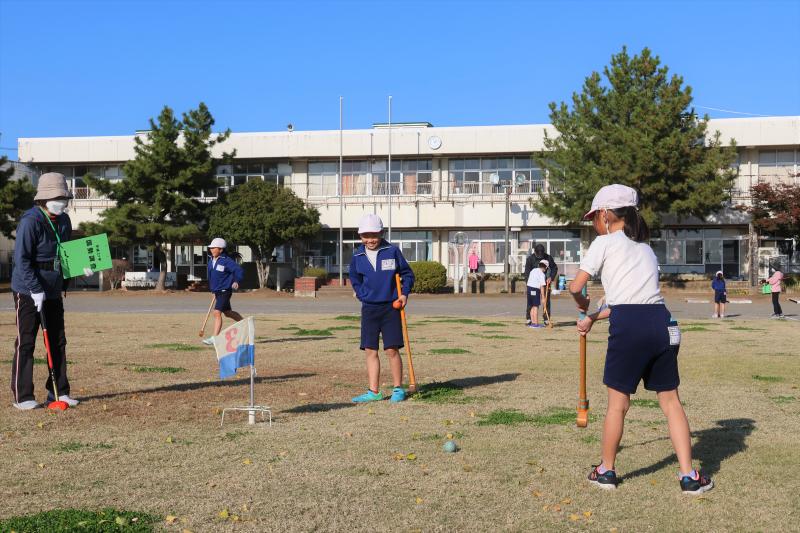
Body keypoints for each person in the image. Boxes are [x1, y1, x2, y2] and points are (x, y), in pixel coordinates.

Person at [568, 184, 713, 495]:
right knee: (671, 403)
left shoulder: (603, 243)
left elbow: (575, 287)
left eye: (595, 216)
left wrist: (582, 306)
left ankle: (606, 470)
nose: (594, 222)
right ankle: (689, 477)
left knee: (618, 405)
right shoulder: (645, 249)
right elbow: (634, 301)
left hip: (630, 324)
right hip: (663, 322)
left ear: (605, 215)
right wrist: (594, 317)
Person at [10, 173, 79, 410]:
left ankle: (59, 392)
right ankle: (23, 396)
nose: (62, 202)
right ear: (44, 198)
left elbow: (66, 253)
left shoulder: (64, 221)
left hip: (52, 289)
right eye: (57, 197)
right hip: (28, 290)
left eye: (64, 197)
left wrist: (80, 267)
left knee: (57, 341)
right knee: (26, 341)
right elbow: (22, 260)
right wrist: (35, 289)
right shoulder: (31, 221)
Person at [349, 214, 415, 403]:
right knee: (370, 350)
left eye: (374, 235)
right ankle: (373, 391)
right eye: (365, 235)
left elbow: (407, 274)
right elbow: (354, 278)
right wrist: (362, 294)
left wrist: (404, 294)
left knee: (391, 349)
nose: (370, 240)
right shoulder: (357, 255)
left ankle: (397, 389)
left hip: (390, 307)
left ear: (381, 233)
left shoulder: (392, 251)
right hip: (369, 308)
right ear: (360, 235)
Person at [202, 238, 244, 345]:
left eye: (213, 248)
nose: (211, 249)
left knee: (217, 313)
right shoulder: (211, 260)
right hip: (217, 291)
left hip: (225, 290)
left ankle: (215, 338)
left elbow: (238, 270)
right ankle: (244, 324)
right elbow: (212, 276)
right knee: (228, 313)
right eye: (210, 248)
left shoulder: (227, 261)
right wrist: (213, 289)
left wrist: (236, 281)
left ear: (220, 249)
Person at [524, 243, 557, 325]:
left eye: (541, 255)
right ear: (535, 252)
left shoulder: (548, 257)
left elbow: (554, 268)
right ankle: (529, 318)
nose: (539, 256)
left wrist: (551, 277)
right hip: (533, 285)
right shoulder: (530, 259)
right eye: (538, 254)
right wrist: (530, 284)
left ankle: (546, 318)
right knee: (531, 302)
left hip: (545, 282)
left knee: (546, 300)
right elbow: (527, 273)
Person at [526, 259, 548, 328]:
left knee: (532, 306)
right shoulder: (542, 274)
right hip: (535, 289)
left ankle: (533, 323)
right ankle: (536, 324)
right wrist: (543, 297)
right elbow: (542, 286)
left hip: (529, 288)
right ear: (546, 267)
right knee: (536, 307)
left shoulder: (533, 270)